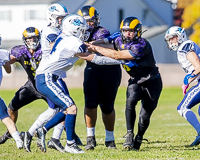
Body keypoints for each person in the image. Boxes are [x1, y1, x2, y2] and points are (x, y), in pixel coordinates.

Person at [86, 16, 163, 151]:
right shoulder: (119, 40)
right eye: (126, 30)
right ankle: (129, 133)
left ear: (138, 31)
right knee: (130, 102)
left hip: (152, 81)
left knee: (144, 117)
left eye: (131, 31)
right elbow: (106, 45)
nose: (128, 33)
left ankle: (138, 138)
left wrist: (95, 48)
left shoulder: (141, 45)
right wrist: (87, 46)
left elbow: (117, 55)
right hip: (135, 80)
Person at [23, 3, 82, 153]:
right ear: (52, 17)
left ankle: (52, 137)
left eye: (64, 18)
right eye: (60, 18)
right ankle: (34, 133)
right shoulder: (50, 30)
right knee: (65, 107)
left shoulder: (59, 30)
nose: (62, 20)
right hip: (49, 74)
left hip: (55, 74)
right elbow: (54, 44)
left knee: (62, 108)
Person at [0, 27, 61, 153]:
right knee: (12, 107)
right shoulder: (20, 51)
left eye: (34, 38)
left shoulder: (44, 50)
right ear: (25, 40)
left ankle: (58, 138)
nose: (32, 40)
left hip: (46, 85)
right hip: (32, 86)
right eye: (29, 38)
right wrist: (5, 60)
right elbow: (8, 61)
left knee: (61, 108)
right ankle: (9, 133)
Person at [78, 5, 122, 150]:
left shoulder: (102, 31)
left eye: (92, 20)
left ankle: (110, 139)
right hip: (92, 69)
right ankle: (90, 138)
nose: (91, 24)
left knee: (107, 106)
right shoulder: (76, 33)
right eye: (88, 21)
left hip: (109, 70)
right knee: (90, 104)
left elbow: (98, 46)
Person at [164, 26, 200, 147]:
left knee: (182, 108)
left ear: (180, 36)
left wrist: (188, 80)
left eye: (173, 38)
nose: (171, 41)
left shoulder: (184, 47)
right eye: (170, 39)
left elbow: (198, 67)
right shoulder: (186, 46)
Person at [0, 36, 23, 149]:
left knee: (5, 116)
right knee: (5, 117)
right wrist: (4, 62)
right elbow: (9, 70)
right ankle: (18, 140)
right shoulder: (1, 53)